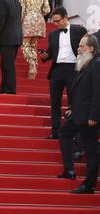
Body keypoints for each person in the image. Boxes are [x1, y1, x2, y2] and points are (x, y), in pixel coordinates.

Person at [57, 34, 100, 194]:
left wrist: (94, 116)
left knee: (91, 150)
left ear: (91, 48)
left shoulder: (97, 65)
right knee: (64, 133)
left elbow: (97, 93)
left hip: (89, 117)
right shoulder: (85, 64)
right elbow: (80, 90)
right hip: (78, 113)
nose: (78, 48)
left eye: (82, 46)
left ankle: (89, 185)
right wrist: (72, 107)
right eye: (79, 46)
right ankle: (69, 170)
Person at [40, 6, 87, 139]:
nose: (55, 24)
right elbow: (51, 52)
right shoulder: (53, 34)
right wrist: (45, 55)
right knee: (55, 102)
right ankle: (55, 132)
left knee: (74, 102)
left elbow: (87, 48)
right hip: (57, 70)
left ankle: (74, 133)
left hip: (74, 69)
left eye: (58, 21)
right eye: (53, 21)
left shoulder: (80, 30)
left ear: (66, 17)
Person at [0, 0, 23, 94]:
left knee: (8, 65)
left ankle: (10, 89)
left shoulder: (3, 2)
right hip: (16, 37)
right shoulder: (17, 2)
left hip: (7, 37)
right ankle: (4, 88)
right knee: (5, 64)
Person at [20, 0, 51, 79]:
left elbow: (22, 9)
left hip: (28, 19)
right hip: (39, 19)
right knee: (33, 45)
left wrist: (20, 21)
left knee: (25, 44)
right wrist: (38, 12)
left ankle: (31, 63)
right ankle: (34, 66)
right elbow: (47, 10)